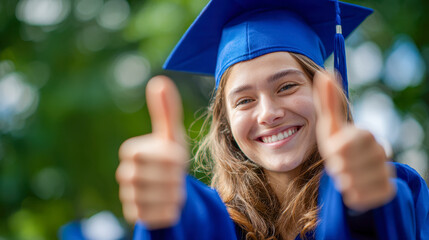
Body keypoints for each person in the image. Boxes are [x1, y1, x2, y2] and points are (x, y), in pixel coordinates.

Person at [116, 0, 429, 239]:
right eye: (245, 101)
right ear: (226, 122)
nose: (268, 113)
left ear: (324, 90)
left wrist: (364, 211)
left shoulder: (394, 186)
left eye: (287, 86)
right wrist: (168, 218)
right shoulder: (216, 221)